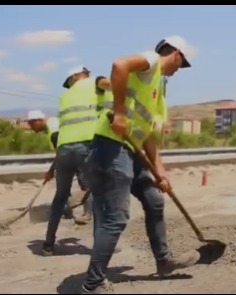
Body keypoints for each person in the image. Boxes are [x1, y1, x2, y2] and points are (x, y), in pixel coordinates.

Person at [81, 35, 198, 294]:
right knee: (116, 217)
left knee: (155, 200)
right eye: (182, 63)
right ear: (176, 54)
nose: (179, 69)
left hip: (131, 152)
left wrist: (161, 173)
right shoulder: (152, 61)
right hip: (111, 145)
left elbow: (149, 138)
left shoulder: (158, 93)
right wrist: (120, 113)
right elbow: (119, 65)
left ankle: (164, 261)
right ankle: (92, 284)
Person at [42, 66, 110, 256]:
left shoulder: (65, 97)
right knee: (98, 195)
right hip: (86, 146)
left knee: (60, 196)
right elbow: (112, 86)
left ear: (73, 77)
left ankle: (48, 244)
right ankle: (101, 247)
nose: (69, 85)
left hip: (64, 149)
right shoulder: (95, 82)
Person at [26, 109, 91, 223]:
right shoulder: (52, 125)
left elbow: (61, 153)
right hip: (73, 153)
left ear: (39, 121)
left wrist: (51, 170)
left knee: (84, 185)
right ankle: (67, 211)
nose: (31, 127)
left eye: (31, 124)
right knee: (67, 186)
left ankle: (87, 214)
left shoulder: (54, 131)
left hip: (78, 153)